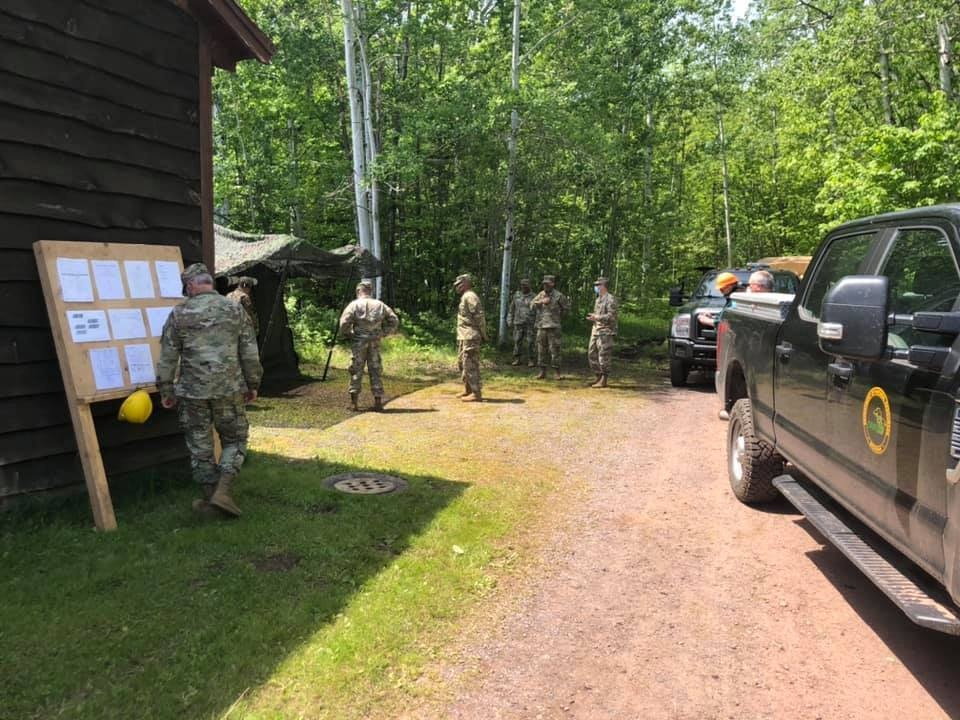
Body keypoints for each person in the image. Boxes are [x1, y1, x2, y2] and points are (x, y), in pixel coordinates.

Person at [158, 263, 262, 518]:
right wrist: (253, 383)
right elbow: (249, 352)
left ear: (192, 285)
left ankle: (212, 496)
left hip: (192, 392)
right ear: (209, 283)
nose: (186, 292)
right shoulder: (235, 309)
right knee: (235, 439)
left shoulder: (179, 313)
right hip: (228, 389)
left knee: (200, 445)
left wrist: (166, 389)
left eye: (186, 288)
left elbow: (168, 355)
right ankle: (223, 492)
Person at [338, 279, 399, 412]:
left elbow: (343, 323)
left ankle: (354, 403)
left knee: (355, 369)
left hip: (359, 342)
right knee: (375, 369)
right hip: (375, 342)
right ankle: (378, 402)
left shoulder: (354, 305)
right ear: (370, 291)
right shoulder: (380, 305)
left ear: (359, 290)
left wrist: (349, 334)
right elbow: (394, 320)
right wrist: (383, 333)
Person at [454, 273, 487, 402]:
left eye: (460, 284)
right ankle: (468, 389)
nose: (457, 287)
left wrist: (483, 334)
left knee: (470, 364)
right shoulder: (465, 297)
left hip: (471, 335)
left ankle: (476, 393)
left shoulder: (470, 296)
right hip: (464, 335)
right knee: (462, 363)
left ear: (467, 283)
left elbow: (479, 316)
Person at [531, 274, 570, 379]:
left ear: (553, 284)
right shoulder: (541, 294)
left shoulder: (559, 296)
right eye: (544, 284)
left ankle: (557, 373)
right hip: (541, 326)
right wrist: (540, 302)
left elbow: (566, 309)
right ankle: (542, 372)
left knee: (555, 350)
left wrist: (558, 317)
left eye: (547, 284)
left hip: (554, 327)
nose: (545, 286)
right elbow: (531, 305)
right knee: (541, 350)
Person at [586, 276, 618, 388]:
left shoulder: (610, 299)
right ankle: (598, 376)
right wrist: (594, 318)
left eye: (597, 285)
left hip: (605, 331)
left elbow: (611, 316)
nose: (596, 287)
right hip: (596, 330)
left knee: (603, 356)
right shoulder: (598, 299)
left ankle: (604, 380)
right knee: (591, 353)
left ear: (603, 286)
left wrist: (597, 317)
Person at [508, 278, 537, 366]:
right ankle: (517, 359)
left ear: (529, 286)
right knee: (517, 341)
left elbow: (538, 311)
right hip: (518, 322)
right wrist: (509, 319)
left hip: (530, 323)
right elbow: (511, 308)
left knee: (530, 342)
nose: (523, 286)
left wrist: (538, 322)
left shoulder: (534, 296)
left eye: (525, 285)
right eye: (522, 285)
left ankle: (531, 359)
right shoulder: (517, 295)